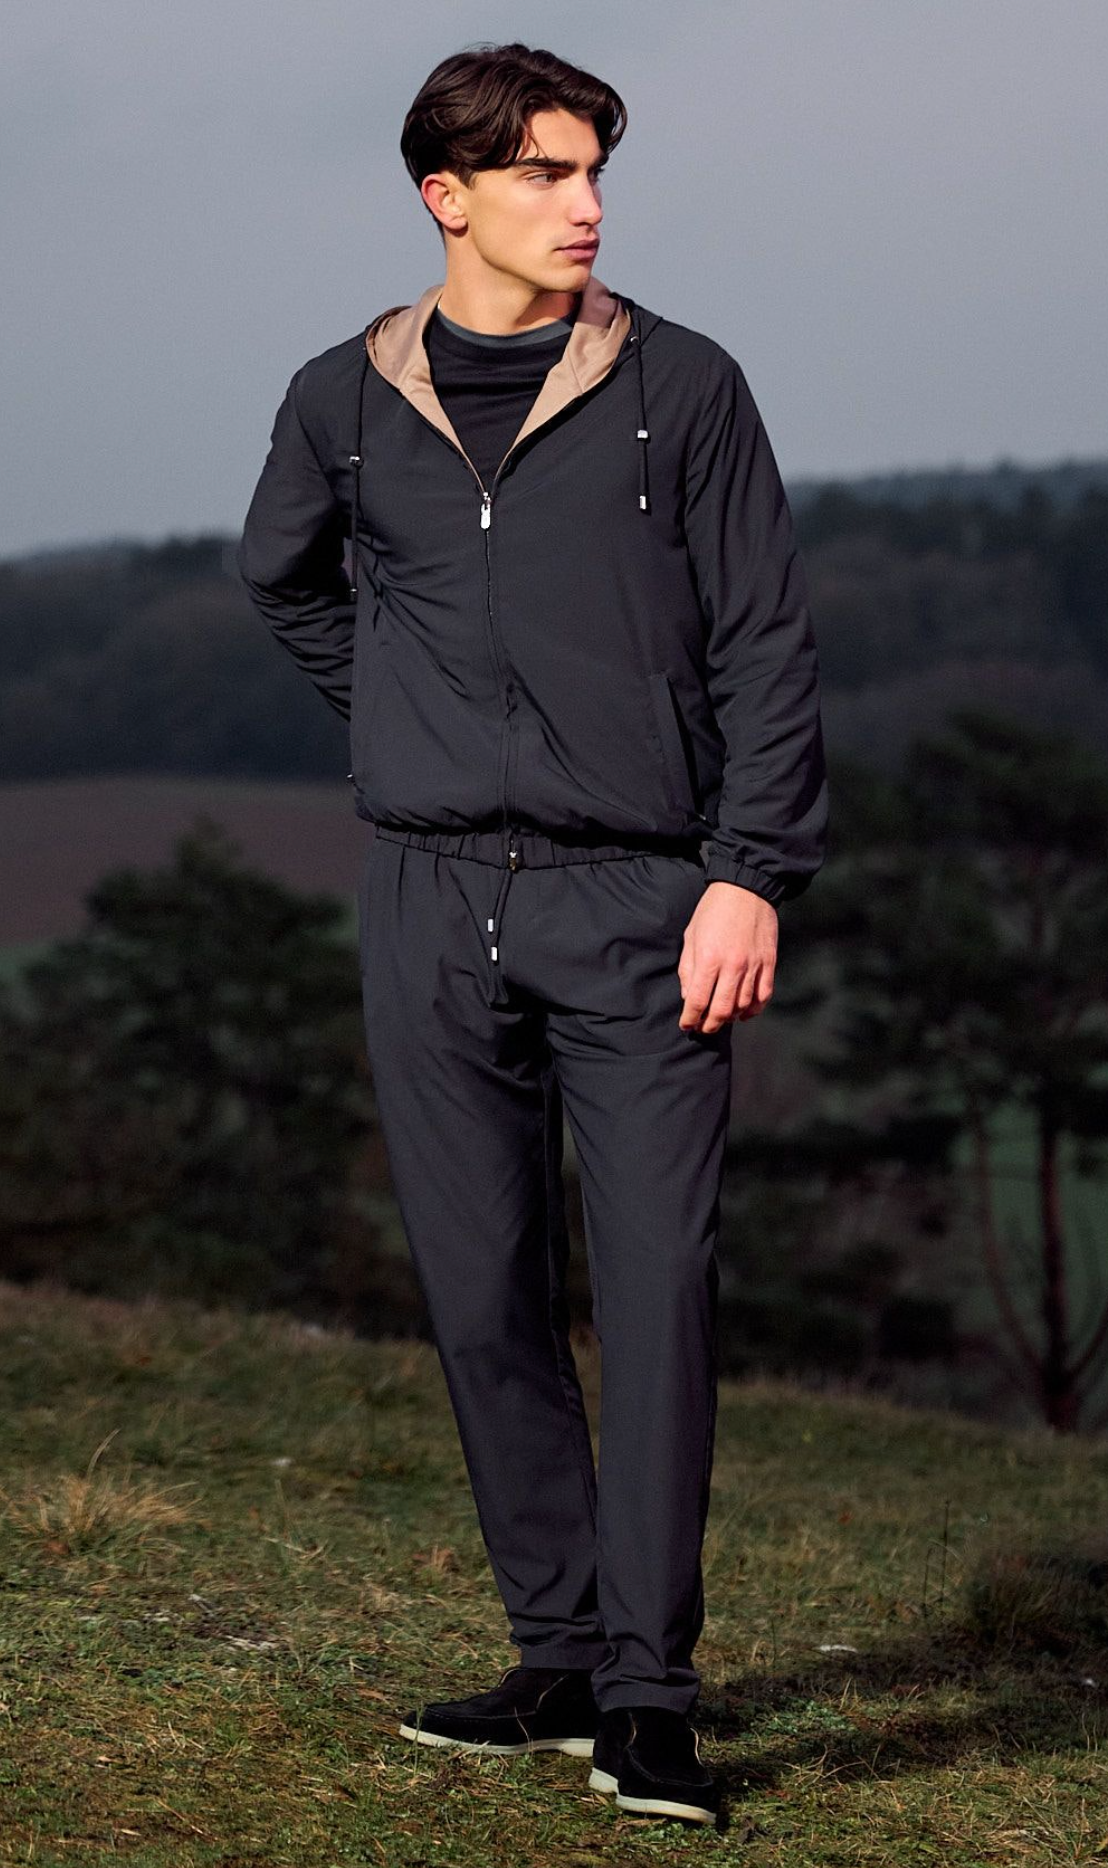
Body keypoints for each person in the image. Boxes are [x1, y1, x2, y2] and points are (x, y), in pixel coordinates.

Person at [237, 40, 828, 1830]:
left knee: (654, 1297)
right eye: (550, 175)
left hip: (644, 902)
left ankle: (651, 1699)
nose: (587, 208)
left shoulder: (683, 388)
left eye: (594, 175)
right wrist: (403, 729)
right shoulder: (344, 399)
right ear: (450, 194)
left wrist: (750, 869)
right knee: (483, 1294)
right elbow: (286, 576)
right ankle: (556, 1652)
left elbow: (767, 645)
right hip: (426, 902)